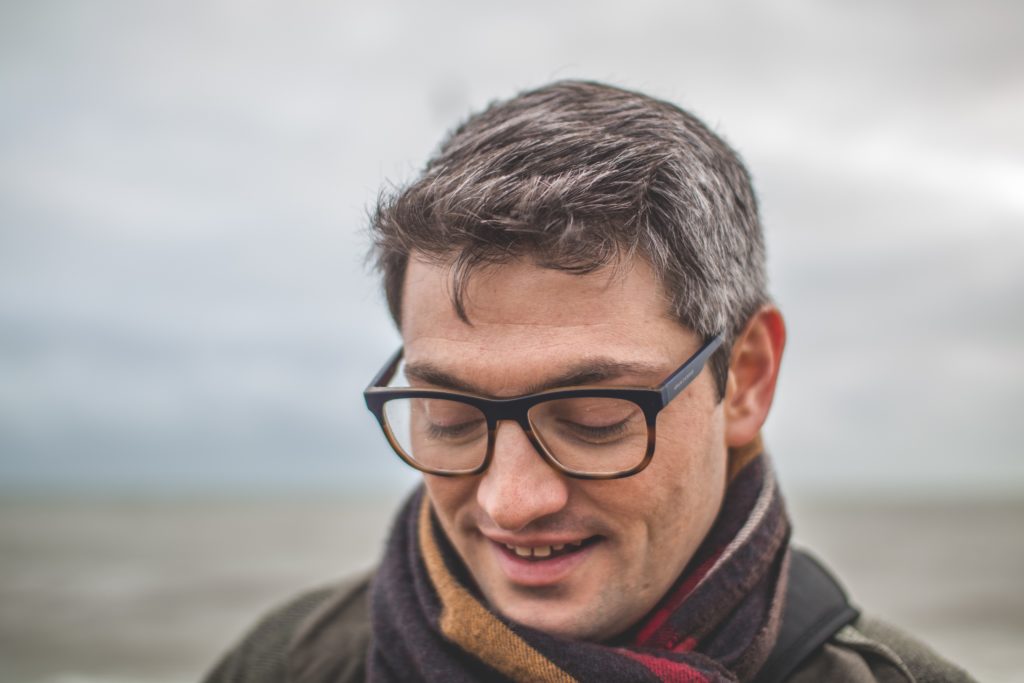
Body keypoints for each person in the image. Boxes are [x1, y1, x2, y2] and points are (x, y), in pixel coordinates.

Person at [204, 81, 974, 682]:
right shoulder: (285, 664)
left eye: (596, 414)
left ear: (743, 378)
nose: (511, 501)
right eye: (447, 413)